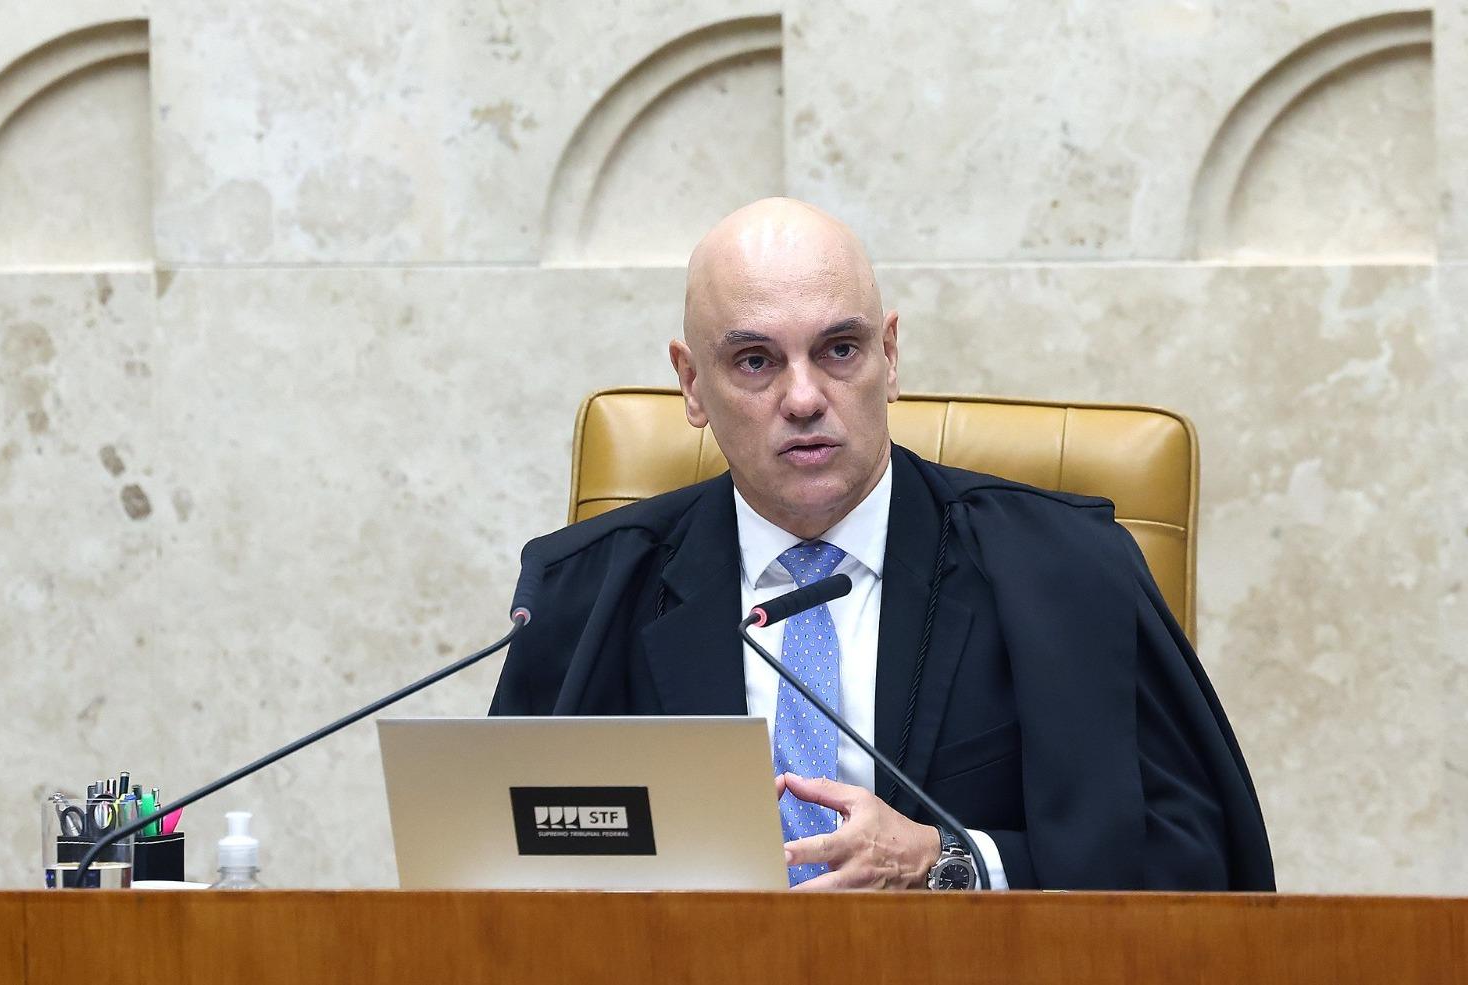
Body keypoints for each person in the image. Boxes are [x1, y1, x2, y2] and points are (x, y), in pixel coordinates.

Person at [490, 198, 1274, 891]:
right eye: (756, 361)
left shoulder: (1067, 571)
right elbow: (493, 868)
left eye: (839, 350)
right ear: (692, 385)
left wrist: (948, 861)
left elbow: (1198, 863)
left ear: (889, 356)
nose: (803, 398)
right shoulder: (586, 593)